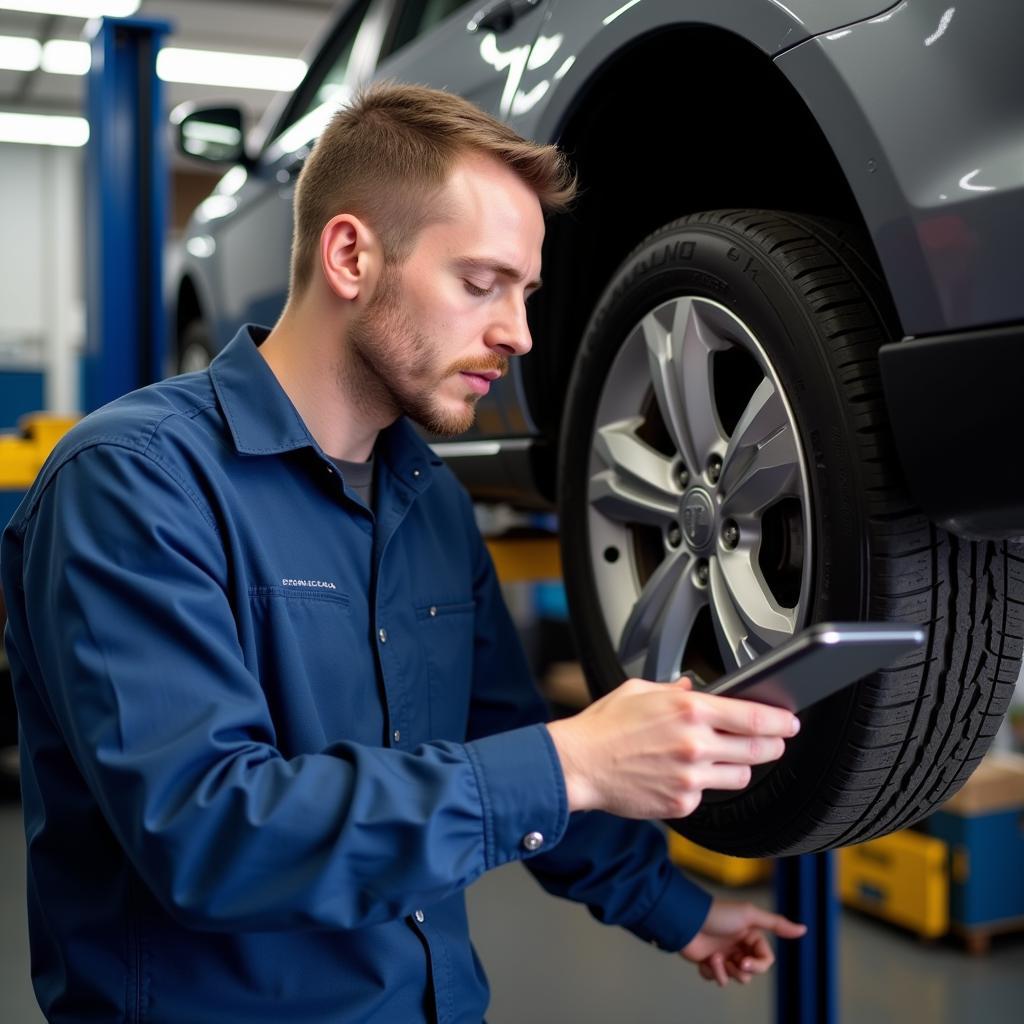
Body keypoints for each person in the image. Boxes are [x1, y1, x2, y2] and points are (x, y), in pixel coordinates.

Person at [1, 82, 805, 1023]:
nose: (519, 332)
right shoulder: (134, 484)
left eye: (526, 293)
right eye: (480, 283)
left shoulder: (431, 505)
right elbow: (211, 834)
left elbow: (495, 741)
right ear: (350, 255)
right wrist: (571, 761)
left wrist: (678, 910)